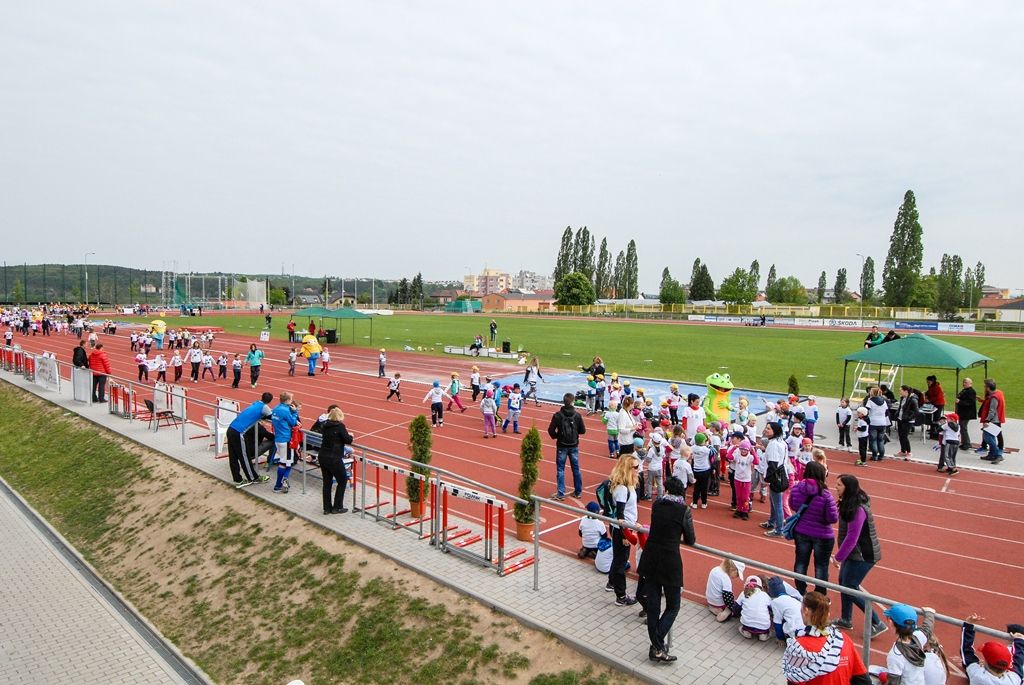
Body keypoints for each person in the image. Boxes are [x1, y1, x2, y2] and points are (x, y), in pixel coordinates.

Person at [638, 476, 696, 664]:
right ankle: (657, 646)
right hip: (670, 561)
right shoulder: (684, 510)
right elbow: (690, 539)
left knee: (654, 607)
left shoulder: (657, 504)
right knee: (673, 605)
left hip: (651, 557)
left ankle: (656, 646)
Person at [830, 474, 887, 637]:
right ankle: (846, 619)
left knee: (850, 587)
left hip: (864, 555)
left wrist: (838, 557)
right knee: (844, 583)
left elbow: (852, 537)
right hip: (854, 554)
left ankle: (877, 622)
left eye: (839, 485)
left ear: (848, 488)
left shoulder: (857, 508)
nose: (836, 487)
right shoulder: (849, 503)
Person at [782, 592, 870, 685]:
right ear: (827, 614)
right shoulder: (843, 638)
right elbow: (863, 680)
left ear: (806, 610)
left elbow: (795, 681)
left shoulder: (798, 646)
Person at [788, 461, 837, 595]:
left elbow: (792, 505)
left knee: (801, 562)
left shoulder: (797, 488)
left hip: (802, 530)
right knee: (821, 566)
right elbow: (833, 518)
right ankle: (820, 594)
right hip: (822, 534)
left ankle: (800, 590)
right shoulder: (826, 494)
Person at [607, 455, 639, 606]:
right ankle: (621, 596)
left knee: (618, 558)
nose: (639, 470)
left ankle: (611, 583)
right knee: (621, 562)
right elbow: (620, 514)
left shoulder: (630, 485)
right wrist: (625, 534)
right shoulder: (622, 489)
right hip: (622, 530)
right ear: (627, 469)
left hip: (625, 527)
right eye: (636, 467)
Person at [961, 613, 1024, 685]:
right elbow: (1018, 660)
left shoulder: (977, 674)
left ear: (985, 662)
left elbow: (966, 651)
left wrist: (968, 625)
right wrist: (1020, 640)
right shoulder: (1014, 680)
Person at [227, 392, 274, 487]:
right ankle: (253, 478)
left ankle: (237, 479)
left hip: (231, 428)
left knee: (233, 457)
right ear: (270, 401)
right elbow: (272, 417)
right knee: (244, 457)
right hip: (238, 432)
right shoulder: (265, 407)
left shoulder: (256, 403)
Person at [547, 392, 586, 500]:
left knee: (560, 469)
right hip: (574, 444)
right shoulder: (577, 415)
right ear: (572, 402)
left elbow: (550, 430)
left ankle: (561, 493)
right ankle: (578, 491)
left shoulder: (558, 415)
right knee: (576, 469)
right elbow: (583, 430)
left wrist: (557, 436)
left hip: (562, 445)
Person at [319, 406, 354, 515]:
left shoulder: (325, 425)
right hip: (333, 457)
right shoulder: (339, 426)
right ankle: (337, 507)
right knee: (343, 480)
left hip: (323, 456)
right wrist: (351, 436)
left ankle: (327, 508)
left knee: (327, 482)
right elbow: (347, 440)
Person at [882, 604, 928, 684]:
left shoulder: (895, 655)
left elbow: (893, 682)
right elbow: (927, 628)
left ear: (890, 621)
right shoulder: (919, 637)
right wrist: (929, 614)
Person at [761, 421, 789, 537]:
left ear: (775, 431)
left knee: (777, 504)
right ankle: (771, 522)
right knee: (773, 502)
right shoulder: (781, 442)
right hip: (782, 475)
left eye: (768, 428)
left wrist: (767, 479)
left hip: (776, 477)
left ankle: (779, 530)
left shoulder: (773, 445)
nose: (766, 430)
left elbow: (773, 463)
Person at [270, 393, 300, 493]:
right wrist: (295, 412)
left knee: (286, 461)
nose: (292, 401)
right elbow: (293, 422)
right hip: (285, 439)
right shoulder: (285, 410)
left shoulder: (276, 408)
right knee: (285, 463)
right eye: (291, 399)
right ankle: (278, 485)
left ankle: (284, 479)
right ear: (287, 400)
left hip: (277, 439)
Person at [767, 576, 805, 641]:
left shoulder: (775, 602)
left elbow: (777, 623)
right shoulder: (793, 598)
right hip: (805, 630)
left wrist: (780, 639)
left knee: (779, 619)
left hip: (795, 634)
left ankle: (787, 638)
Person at [978, 379, 1006, 464]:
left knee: (988, 438)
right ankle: (991, 454)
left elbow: (992, 410)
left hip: (992, 421)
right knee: (991, 437)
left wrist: (987, 420)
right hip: (996, 419)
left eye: (985, 386)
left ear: (988, 388)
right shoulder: (998, 393)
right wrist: (982, 400)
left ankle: (998, 455)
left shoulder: (994, 397)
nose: (984, 387)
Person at [895, 385, 920, 459]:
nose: (899, 392)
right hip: (900, 419)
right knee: (900, 436)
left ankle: (909, 452)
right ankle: (903, 451)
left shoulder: (913, 400)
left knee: (904, 436)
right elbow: (901, 407)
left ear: (906, 391)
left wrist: (908, 418)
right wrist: (897, 413)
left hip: (907, 421)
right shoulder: (902, 398)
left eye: (901, 390)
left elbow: (916, 412)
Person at [866, 387, 889, 461]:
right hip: (882, 422)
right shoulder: (884, 401)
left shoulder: (870, 401)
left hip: (873, 422)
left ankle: (875, 455)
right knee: (881, 440)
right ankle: (881, 455)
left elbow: (866, 411)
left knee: (873, 440)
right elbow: (886, 412)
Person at [956, 378, 978, 452]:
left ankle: (966, 443)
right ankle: (964, 442)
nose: (964, 383)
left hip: (966, 413)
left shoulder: (971, 392)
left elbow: (969, 403)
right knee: (962, 427)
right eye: (963, 382)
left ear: (970, 383)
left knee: (963, 427)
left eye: (965, 382)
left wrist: (960, 402)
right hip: (963, 413)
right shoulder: (965, 390)